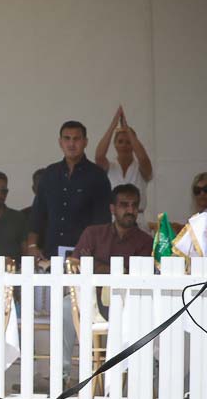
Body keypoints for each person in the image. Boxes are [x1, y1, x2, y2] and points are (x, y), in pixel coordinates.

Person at [26, 121, 111, 257]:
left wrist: (95, 251)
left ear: (85, 142)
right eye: (67, 138)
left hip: (84, 254)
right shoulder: (50, 173)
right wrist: (32, 246)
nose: (71, 144)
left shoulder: (97, 176)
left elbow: (103, 221)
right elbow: (37, 214)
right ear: (60, 142)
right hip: (51, 253)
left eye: (76, 139)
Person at [72, 184, 151, 274]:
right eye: (124, 205)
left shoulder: (146, 241)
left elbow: (138, 276)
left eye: (134, 205)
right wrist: (120, 270)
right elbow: (75, 264)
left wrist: (94, 265)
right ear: (112, 209)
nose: (131, 211)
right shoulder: (92, 234)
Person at [95, 106, 153, 213]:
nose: (124, 145)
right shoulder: (109, 167)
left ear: (134, 145)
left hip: (137, 218)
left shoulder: (141, 169)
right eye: (120, 141)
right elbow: (99, 156)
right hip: (113, 218)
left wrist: (127, 129)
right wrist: (113, 126)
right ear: (115, 144)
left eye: (128, 142)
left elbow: (143, 158)